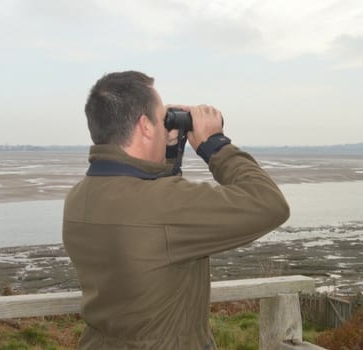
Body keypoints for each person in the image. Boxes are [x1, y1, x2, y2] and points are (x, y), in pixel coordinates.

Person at [62, 71, 290, 349]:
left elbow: (151, 220)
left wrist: (168, 152)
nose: (164, 125)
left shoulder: (80, 196)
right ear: (145, 126)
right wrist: (214, 144)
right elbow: (269, 203)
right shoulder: (162, 206)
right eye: (161, 118)